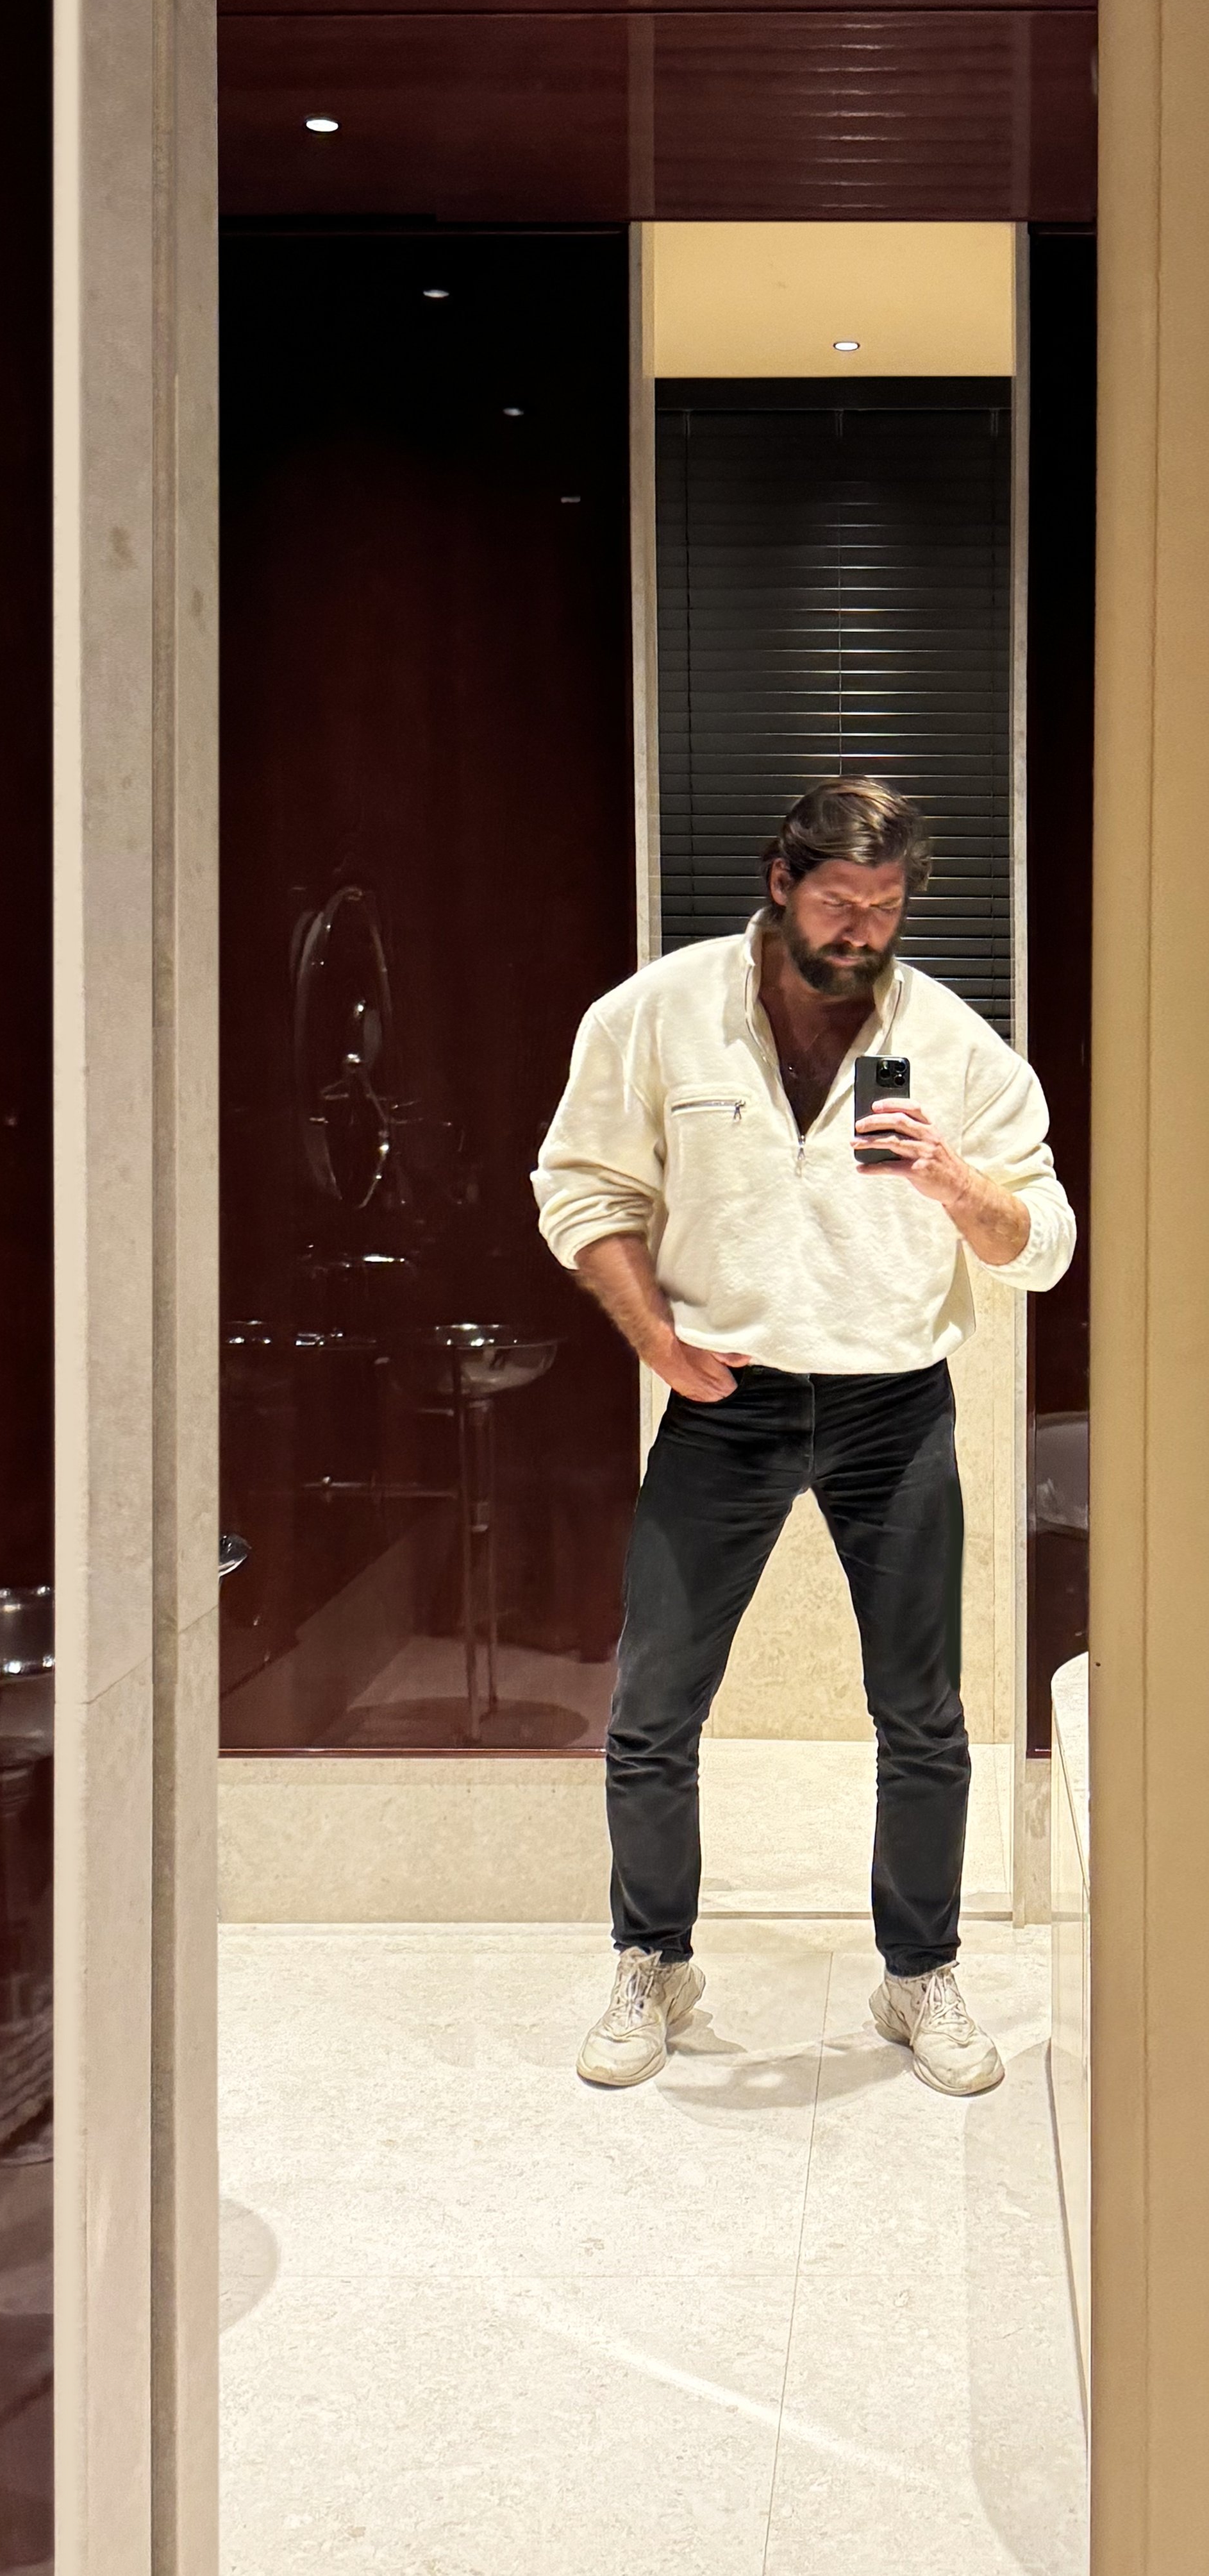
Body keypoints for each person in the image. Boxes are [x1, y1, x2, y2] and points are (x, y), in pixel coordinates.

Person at [533, 778, 1075, 2098]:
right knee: (654, 1708)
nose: (859, 931)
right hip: (727, 1401)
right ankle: (652, 1959)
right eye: (838, 903)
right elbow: (578, 1186)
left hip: (894, 1404)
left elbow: (1045, 1244)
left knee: (921, 1717)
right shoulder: (656, 1014)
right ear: (779, 881)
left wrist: (954, 1181)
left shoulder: (947, 1040)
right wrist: (654, 1338)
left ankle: (916, 1974)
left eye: (884, 909)